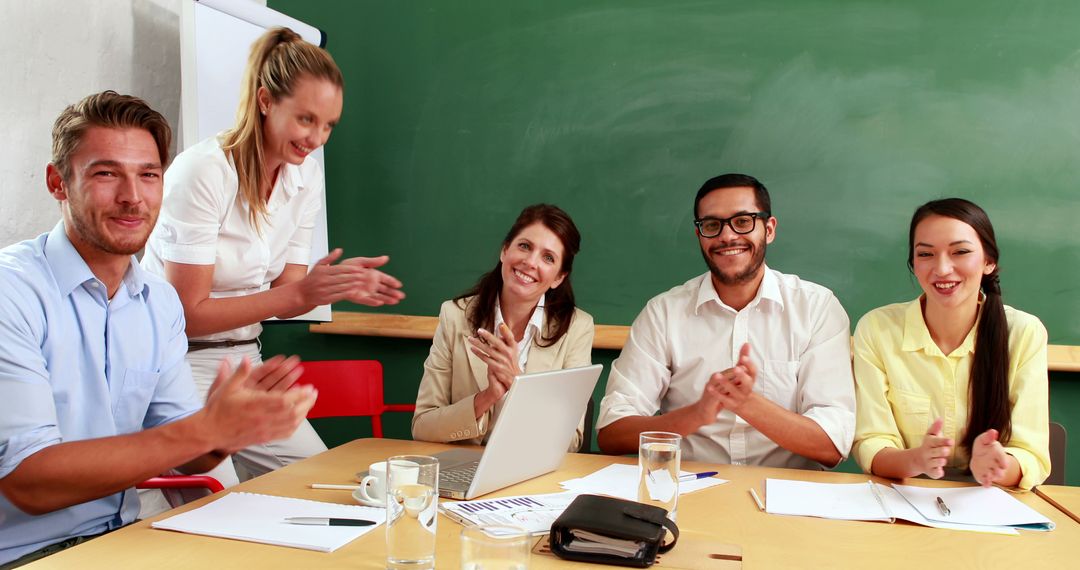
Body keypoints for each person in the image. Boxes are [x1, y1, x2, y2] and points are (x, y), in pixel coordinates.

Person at [0, 91, 317, 568]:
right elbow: (29, 481)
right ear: (57, 182)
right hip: (25, 555)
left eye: (148, 175)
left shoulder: (159, 301)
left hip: (123, 540)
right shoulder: (13, 292)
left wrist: (226, 432)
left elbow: (189, 456)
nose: (133, 196)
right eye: (107, 173)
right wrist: (204, 429)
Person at [141, 27, 404, 487]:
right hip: (174, 367)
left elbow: (288, 295)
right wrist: (297, 295)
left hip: (246, 361)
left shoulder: (305, 178)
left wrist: (327, 287)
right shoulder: (203, 172)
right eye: (306, 119)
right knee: (215, 503)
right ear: (265, 101)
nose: (317, 138)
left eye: (328, 125)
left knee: (325, 487)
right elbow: (187, 314)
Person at [596, 173, 855, 469]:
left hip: (787, 496)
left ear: (769, 229)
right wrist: (698, 414)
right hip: (691, 491)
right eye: (712, 225)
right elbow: (611, 433)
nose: (727, 236)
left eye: (743, 221)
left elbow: (832, 444)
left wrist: (747, 404)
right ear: (699, 235)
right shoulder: (663, 313)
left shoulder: (817, 308)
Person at [852, 198, 1050, 489]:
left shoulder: (1023, 332)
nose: (942, 269)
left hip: (993, 504)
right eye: (926, 254)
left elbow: (1030, 454)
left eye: (960, 252)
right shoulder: (878, 329)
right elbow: (871, 443)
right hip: (906, 498)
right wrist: (916, 459)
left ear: (988, 262)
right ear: (913, 263)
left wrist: (996, 466)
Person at [412, 204, 594, 451]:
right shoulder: (455, 315)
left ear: (559, 278)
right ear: (504, 250)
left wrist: (517, 382)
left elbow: (571, 441)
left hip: (532, 472)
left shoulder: (577, 328)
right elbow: (422, 426)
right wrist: (486, 398)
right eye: (524, 246)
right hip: (464, 469)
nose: (530, 262)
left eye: (548, 257)